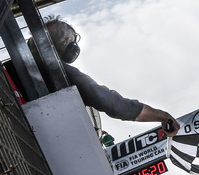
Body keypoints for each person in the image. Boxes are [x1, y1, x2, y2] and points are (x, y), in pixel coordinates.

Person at [40, 15, 180, 136]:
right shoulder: (63, 72)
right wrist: (163, 116)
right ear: (68, 47)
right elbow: (115, 105)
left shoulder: (27, 57)